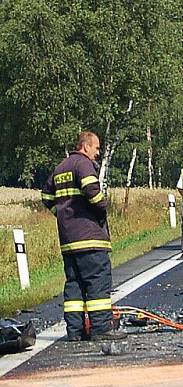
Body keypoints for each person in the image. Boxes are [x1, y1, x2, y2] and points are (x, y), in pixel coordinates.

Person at [41, 131, 126, 341]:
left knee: (74, 285)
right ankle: (100, 329)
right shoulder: (83, 164)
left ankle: (75, 331)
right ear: (86, 146)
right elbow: (92, 190)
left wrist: (62, 216)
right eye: (96, 148)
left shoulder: (61, 167)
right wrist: (102, 208)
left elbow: (46, 196)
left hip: (69, 240)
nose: (98, 153)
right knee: (97, 282)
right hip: (89, 236)